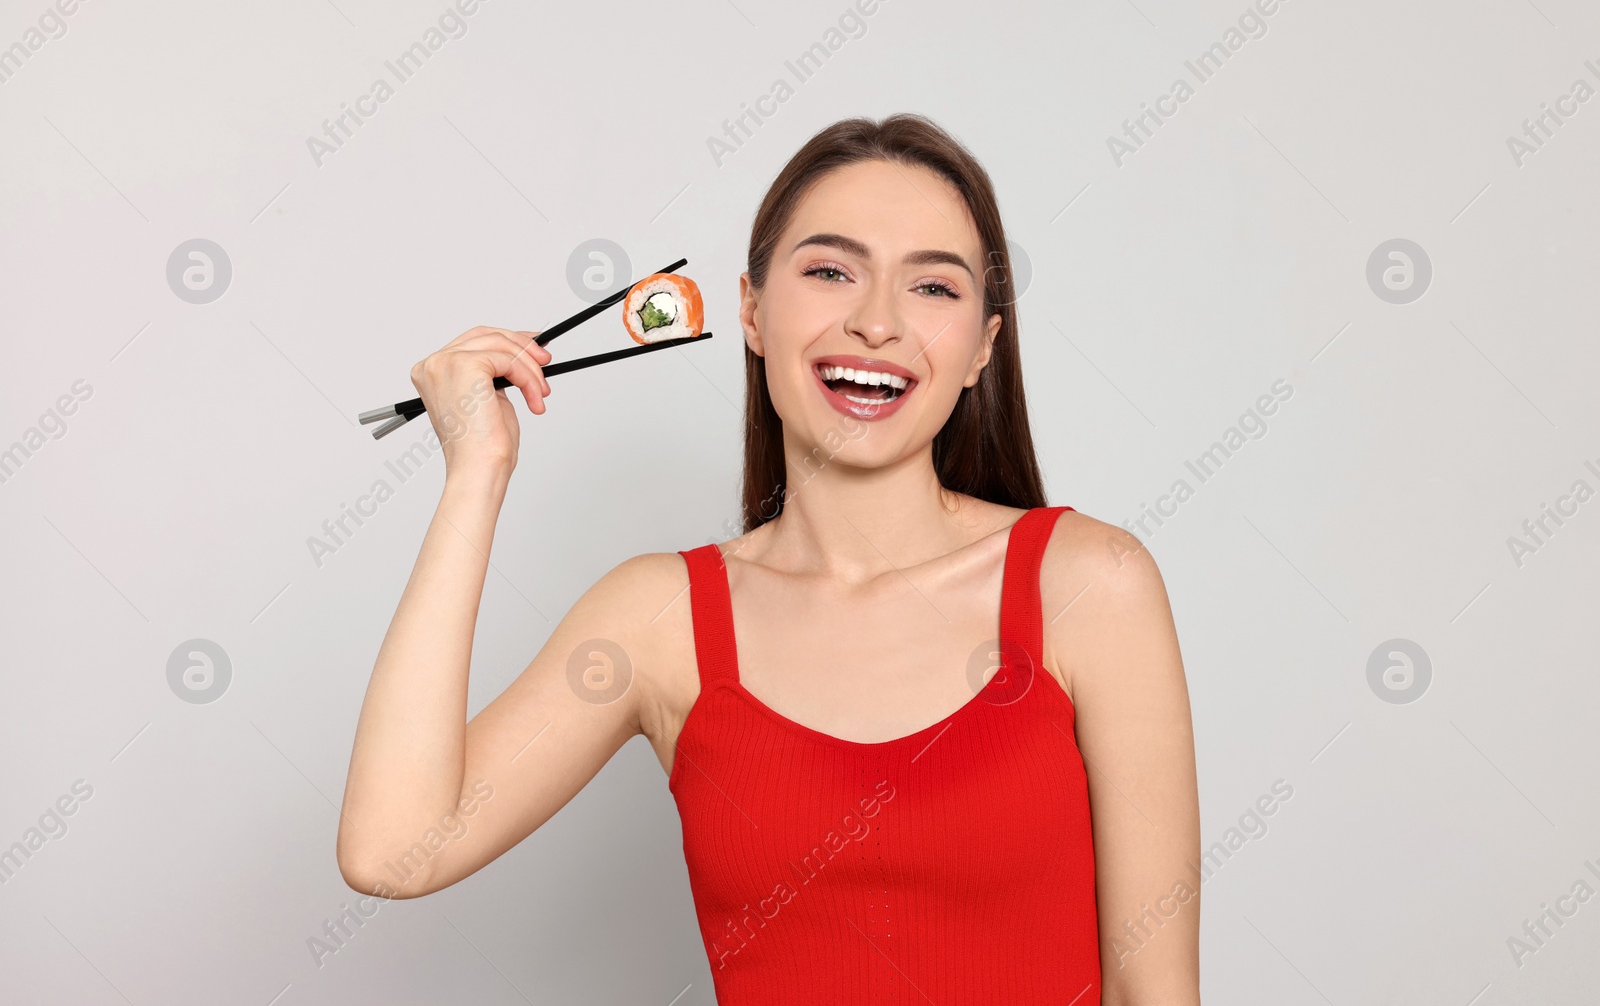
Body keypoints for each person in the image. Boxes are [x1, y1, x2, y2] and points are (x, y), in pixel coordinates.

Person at [337, 113, 1201, 1004]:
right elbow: (393, 847)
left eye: (933, 288)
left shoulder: (1091, 584)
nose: (876, 322)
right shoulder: (658, 620)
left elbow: (1160, 992)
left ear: (983, 345)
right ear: (751, 310)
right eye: (830, 271)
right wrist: (476, 472)